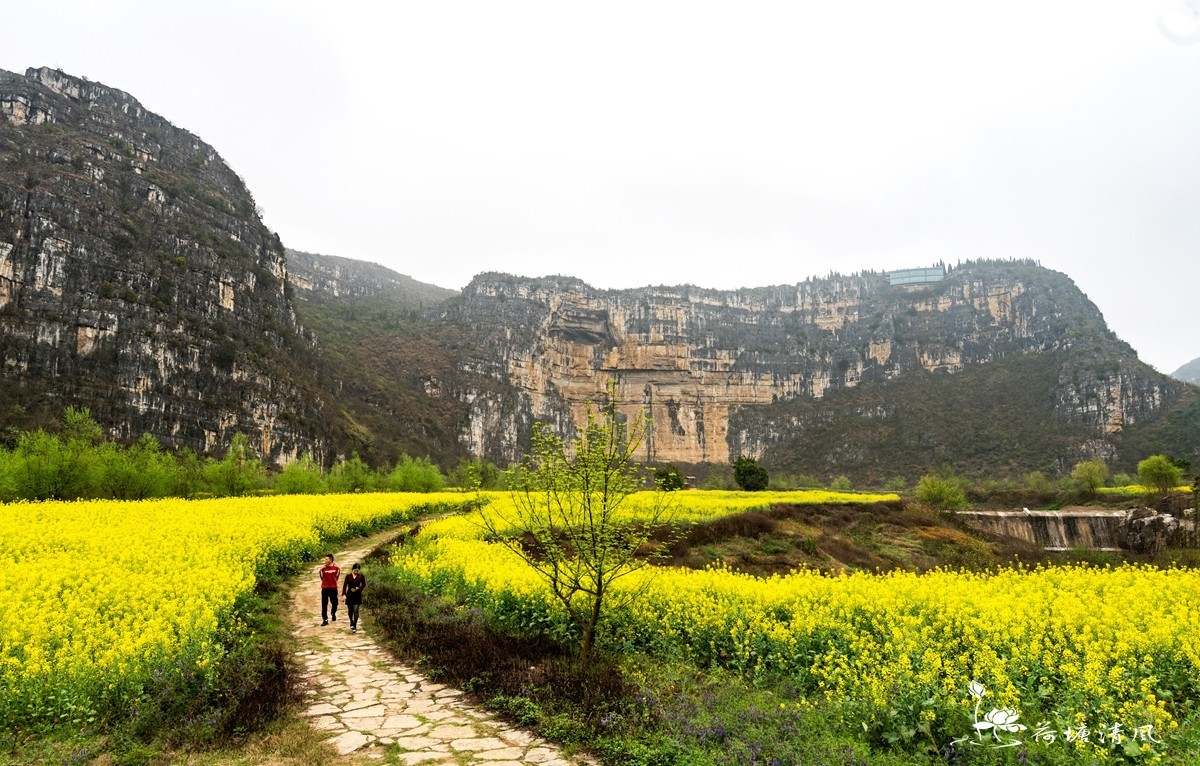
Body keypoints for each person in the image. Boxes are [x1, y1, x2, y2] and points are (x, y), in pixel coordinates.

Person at [342, 563, 366, 633]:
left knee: (356, 610)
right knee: (350, 610)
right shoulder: (348, 576)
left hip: (357, 595)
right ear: (353, 569)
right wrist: (344, 594)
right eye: (355, 570)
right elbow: (344, 585)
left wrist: (358, 588)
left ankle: (354, 625)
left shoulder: (361, 576)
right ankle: (351, 621)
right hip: (349, 595)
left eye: (358, 570)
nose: (356, 571)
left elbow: (364, 584)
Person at [319, 554, 340, 626]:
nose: (325, 561)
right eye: (325, 559)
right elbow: (321, 577)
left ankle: (333, 613)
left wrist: (333, 583)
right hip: (325, 588)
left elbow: (337, 577)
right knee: (324, 604)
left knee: (335, 603)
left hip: (333, 588)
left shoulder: (337, 568)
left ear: (330, 560)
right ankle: (325, 619)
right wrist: (325, 583)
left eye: (326, 559)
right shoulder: (322, 569)